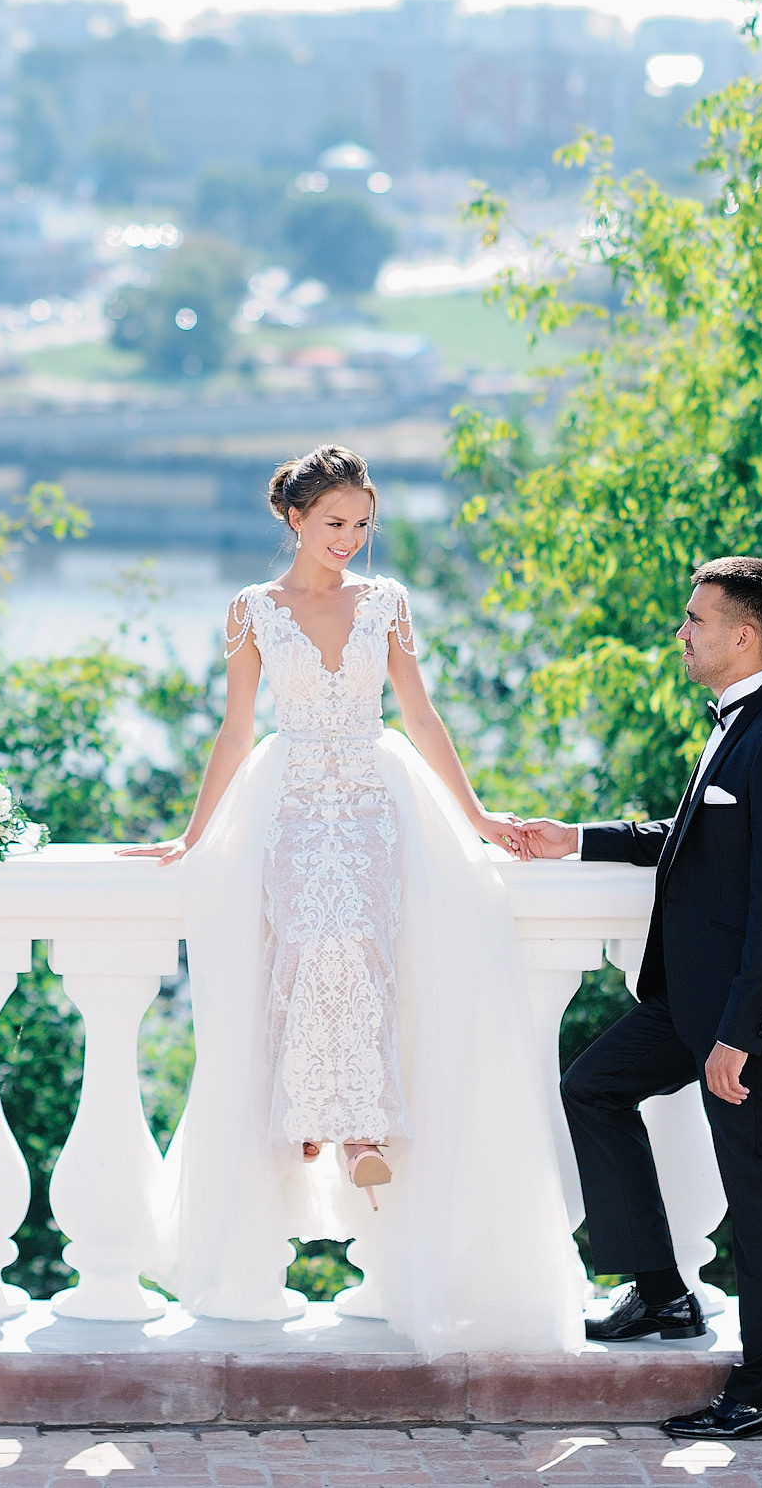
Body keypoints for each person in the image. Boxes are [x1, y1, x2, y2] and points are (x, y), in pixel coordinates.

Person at [125, 444, 586, 1356]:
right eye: (334, 522)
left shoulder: (389, 605)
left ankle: (359, 1125)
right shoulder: (253, 610)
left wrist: (478, 813)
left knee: (371, 954)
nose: (351, 539)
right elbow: (234, 727)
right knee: (301, 949)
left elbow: (421, 716)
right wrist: (191, 831)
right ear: (294, 519)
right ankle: (315, 1122)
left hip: (379, 799)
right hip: (289, 798)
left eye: (362, 524)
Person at [518, 557, 762, 1440]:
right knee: (593, 1085)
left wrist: (739, 1034)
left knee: (761, 1194)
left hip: (749, 1020)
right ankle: (663, 1293)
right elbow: (696, 837)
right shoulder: (739, 726)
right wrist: (576, 840)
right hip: (691, 1001)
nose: (682, 631)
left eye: (695, 619)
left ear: (743, 636)